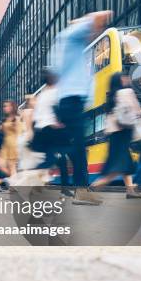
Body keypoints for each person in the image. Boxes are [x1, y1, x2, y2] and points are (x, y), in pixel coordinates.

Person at [52, 11, 112, 204]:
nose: (95, 34)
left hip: (67, 102)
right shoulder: (73, 36)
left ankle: (74, 188)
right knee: (77, 147)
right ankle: (81, 191)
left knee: (73, 147)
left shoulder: (63, 41)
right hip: (72, 101)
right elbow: (103, 15)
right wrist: (90, 23)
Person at [91, 74, 141, 199]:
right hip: (122, 133)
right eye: (123, 78)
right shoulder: (127, 92)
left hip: (115, 134)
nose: (127, 79)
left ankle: (130, 191)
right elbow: (137, 110)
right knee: (118, 167)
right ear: (119, 81)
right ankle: (92, 187)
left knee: (125, 164)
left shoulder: (112, 96)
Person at [0, 100, 22, 178]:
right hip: (6, 144)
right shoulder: (5, 119)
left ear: (12, 107)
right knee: (1, 164)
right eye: (4, 106)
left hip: (14, 143)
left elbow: (20, 132)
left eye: (7, 106)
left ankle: (14, 184)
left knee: (11, 166)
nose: (4, 108)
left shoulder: (17, 118)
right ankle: (16, 180)